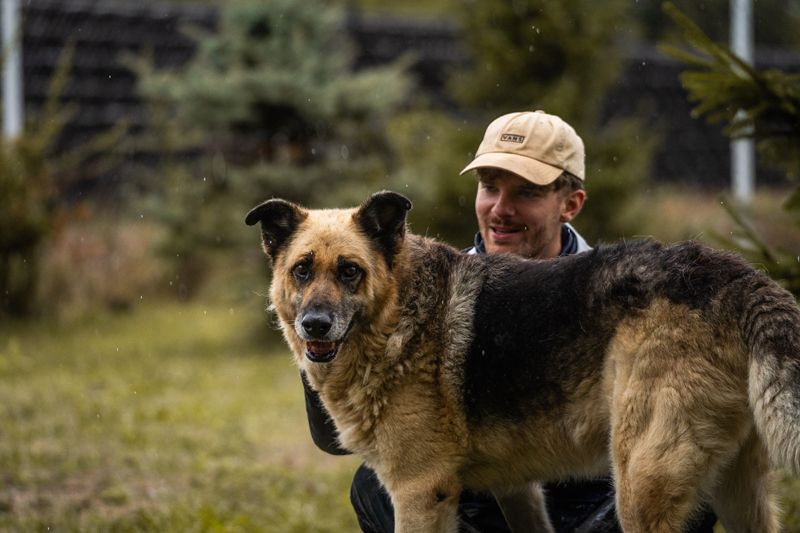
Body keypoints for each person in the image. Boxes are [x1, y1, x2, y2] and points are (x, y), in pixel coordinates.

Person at [301, 111, 717, 532]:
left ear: (571, 204)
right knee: (374, 487)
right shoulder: (429, 291)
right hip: (482, 495)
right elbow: (337, 438)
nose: (501, 209)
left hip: (597, 487)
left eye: (526, 192)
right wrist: (328, 345)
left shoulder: (621, 293)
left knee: (685, 476)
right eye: (489, 187)